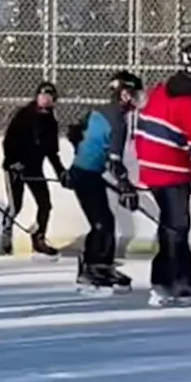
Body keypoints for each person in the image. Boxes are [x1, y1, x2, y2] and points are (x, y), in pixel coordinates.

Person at [134, 43, 191, 307]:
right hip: (171, 174)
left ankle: (174, 280)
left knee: (172, 227)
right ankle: (174, 283)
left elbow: (145, 127)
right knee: (177, 228)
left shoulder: (159, 90)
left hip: (151, 170)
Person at [65, 70, 142, 294]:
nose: (138, 98)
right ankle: (93, 268)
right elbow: (115, 161)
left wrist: (78, 162)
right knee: (102, 223)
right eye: (135, 93)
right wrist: (126, 186)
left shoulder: (97, 112)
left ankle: (100, 265)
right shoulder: (118, 121)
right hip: (87, 175)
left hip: (85, 173)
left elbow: (76, 134)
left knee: (104, 220)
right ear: (125, 95)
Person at [1, 81, 67, 257]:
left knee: (45, 203)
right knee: (16, 205)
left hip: (34, 169)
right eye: (42, 95)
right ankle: (6, 232)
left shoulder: (51, 122)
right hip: (15, 167)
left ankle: (39, 237)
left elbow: (52, 152)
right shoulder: (24, 115)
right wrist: (14, 162)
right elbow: (8, 141)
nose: (45, 99)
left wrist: (60, 171)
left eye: (50, 97)